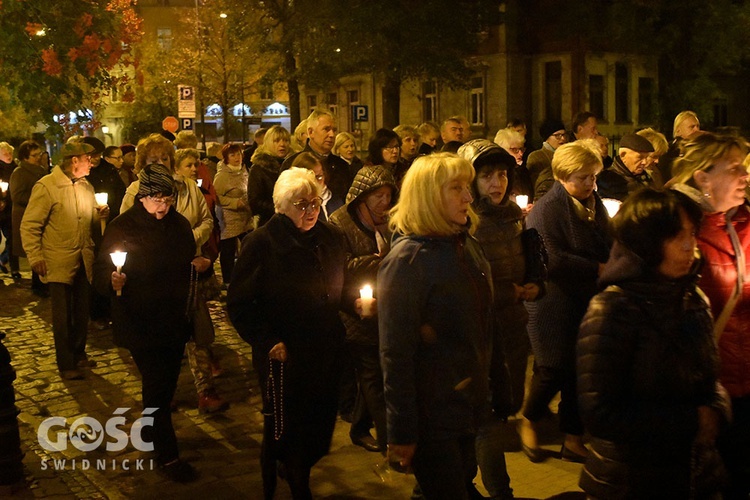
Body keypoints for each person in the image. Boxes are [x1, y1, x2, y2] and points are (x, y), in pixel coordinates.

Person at [577, 188, 730, 499]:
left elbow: (706, 376)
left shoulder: (692, 297)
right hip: (630, 479)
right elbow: (599, 413)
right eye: (677, 237)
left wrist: (717, 407)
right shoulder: (612, 310)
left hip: (693, 472)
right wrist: (690, 421)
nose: (691, 246)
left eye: (692, 233)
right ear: (647, 244)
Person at [378, 153, 495, 499]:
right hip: (433, 417)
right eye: (456, 188)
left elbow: (487, 320)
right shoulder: (408, 261)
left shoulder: (466, 246)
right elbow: (395, 354)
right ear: (429, 195)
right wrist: (401, 432)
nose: (469, 197)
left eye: (468, 187)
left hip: (467, 406)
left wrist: (496, 386)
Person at [227, 167, 346, 499]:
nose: (309, 211)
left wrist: (360, 303)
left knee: (319, 420)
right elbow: (239, 303)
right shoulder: (262, 243)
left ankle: (297, 465)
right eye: (301, 204)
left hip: (324, 349)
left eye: (313, 202)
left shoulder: (329, 237)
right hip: (285, 354)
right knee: (285, 424)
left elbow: (342, 286)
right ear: (281, 205)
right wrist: (267, 341)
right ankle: (291, 477)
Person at [93, 164, 198, 483]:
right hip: (139, 320)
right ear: (142, 197)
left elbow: (188, 263)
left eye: (167, 199)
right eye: (156, 199)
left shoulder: (179, 225)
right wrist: (112, 280)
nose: (162, 206)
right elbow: (99, 274)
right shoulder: (122, 227)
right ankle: (167, 454)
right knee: (156, 385)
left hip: (174, 319)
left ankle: (153, 432)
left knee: (166, 386)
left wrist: (201, 268)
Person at [458, 140, 547, 500]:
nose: (497, 183)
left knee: (501, 407)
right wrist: (510, 292)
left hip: (513, 325)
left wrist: (536, 283)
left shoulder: (513, 215)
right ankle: (496, 491)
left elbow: (525, 262)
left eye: (503, 175)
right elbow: (469, 285)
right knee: (486, 420)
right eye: (487, 176)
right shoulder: (467, 223)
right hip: (482, 334)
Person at [521, 140, 612, 463]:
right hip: (553, 303)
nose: (592, 184)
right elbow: (552, 258)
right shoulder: (547, 210)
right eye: (584, 178)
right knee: (552, 370)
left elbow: (605, 236)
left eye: (594, 176)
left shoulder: (591, 200)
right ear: (563, 176)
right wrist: (597, 267)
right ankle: (529, 420)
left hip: (585, 298)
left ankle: (572, 438)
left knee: (580, 370)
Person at [671, 132, 750, 499]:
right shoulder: (679, 232)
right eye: (733, 168)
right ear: (702, 177)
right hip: (712, 390)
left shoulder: (743, 222)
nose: (744, 175)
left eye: (744, 166)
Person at [21, 141, 108, 380]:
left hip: (82, 256)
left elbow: (88, 218)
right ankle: (66, 362)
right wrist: (36, 256)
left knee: (82, 311)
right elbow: (30, 225)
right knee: (62, 315)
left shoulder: (85, 185)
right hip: (57, 258)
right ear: (74, 161)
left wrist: (100, 214)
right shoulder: (47, 186)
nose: (91, 162)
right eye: (87, 159)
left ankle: (79, 353)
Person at [328, 165, 397, 454]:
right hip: (353, 313)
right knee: (373, 376)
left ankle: (358, 428)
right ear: (362, 198)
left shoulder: (391, 220)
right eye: (378, 196)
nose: (385, 202)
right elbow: (336, 268)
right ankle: (389, 442)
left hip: (385, 309)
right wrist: (375, 261)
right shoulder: (338, 223)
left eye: (388, 195)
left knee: (377, 372)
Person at [173, 147, 226, 413]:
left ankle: (205, 390)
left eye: (196, 164)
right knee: (170, 337)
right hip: (167, 275)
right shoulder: (143, 193)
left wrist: (198, 246)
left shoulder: (193, 190)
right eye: (189, 165)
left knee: (200, 330)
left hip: (195, 268)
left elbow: (207, 222)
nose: (195, 169)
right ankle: (164, 390)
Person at [282, 110, 353, 203]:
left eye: (334, 130)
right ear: (311, 132)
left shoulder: (342, 166)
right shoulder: (293, 164)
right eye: (326, 129)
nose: (332, 135)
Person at [10, 140, 48, 295]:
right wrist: (38, 199)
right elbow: (17, 196)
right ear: (25, 157)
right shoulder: (19, 173)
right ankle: (38, 284)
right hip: (26, 215)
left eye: (39, 154)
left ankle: (40, 282)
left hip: (39, 214)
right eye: (34, 155)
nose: (38, 157)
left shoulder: (40, 170)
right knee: (35, 249)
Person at [214, 143, 253, 286]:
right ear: (226, 158)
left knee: (249, 245)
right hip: (229, 218)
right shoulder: (222, 176)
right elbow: (216, 196)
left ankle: (246, 275)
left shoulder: (244, 170)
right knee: (228, 250)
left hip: (245, 216)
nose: (237, 158)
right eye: (233, 155)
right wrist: (234, 203)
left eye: (239, 154)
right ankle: (228, 280)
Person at [248, 125, 292, 227]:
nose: (282, 144)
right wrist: (282, 208)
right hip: (269, 224)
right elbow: (254, 202)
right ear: (268, 143)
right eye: (277, 141)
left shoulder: (294, 164)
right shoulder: (259, 168)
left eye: (285, 140)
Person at [596, 133, 655, 202]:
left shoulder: (645, 177)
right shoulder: (607, 180)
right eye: (640, 157)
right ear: (623, 155)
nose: (644, 162)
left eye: (646, 157)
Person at [291, 152, 343, 221]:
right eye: (312, 177)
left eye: (320, 176)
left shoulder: (335, 201)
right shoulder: (296, 206)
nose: (318, 181)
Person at [527, 119, 567, 202]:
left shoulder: (567, 156)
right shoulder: (537, 156)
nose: (562, 138)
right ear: (547, 138)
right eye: (557, 135)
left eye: (564, 135)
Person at [493, 128, 532, 201]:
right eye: (515, 150)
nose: (520, 154)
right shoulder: (497, 172)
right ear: (502, 150)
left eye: (521, 149)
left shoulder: (523, 171)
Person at [0, 142, 20, 282]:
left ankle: (13, 267)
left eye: (9, 153)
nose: (8, 156)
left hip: (10, 209)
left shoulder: (16, 168)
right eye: (5, 154)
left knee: (12, 239)